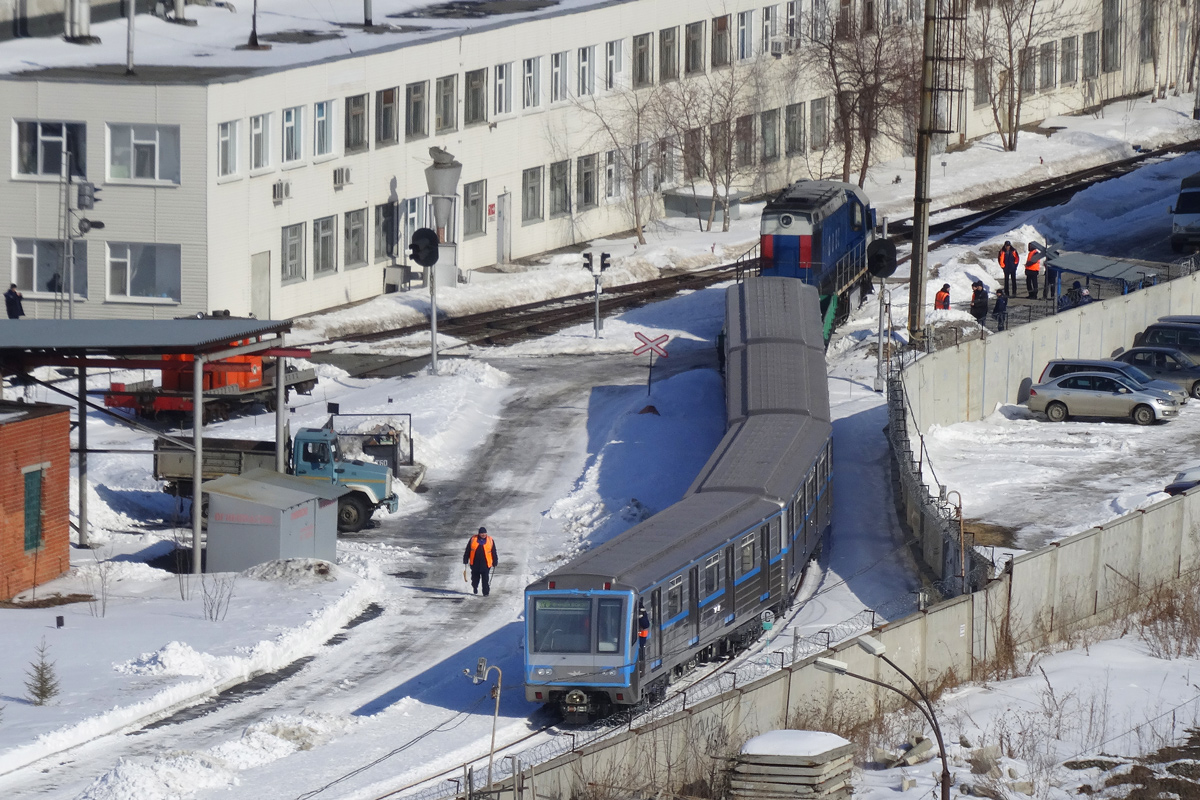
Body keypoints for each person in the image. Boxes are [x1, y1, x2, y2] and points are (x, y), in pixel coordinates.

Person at [463, 526, 498, 596]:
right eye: (482, 533)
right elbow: (468, 550)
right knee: (475, 579)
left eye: (484, 533)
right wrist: (465, 559)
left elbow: (493, 551)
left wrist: (495, 560)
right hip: (475, 563)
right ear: (479, 534)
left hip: (486, 563)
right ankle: (475, 587)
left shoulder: (490, 540)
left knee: (485, 579)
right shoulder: (473, 539)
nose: (483, 535)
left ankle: (485, 593)